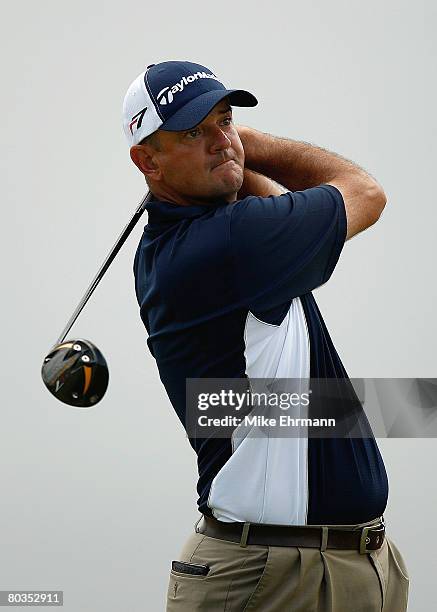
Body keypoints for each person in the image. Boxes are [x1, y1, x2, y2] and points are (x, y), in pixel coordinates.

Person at [123, 61, 410, 611]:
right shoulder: (230, 243)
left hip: (328, 567)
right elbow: (365, 193)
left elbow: (279, 209)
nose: (220, 141)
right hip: (272, 577)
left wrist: (229, 155)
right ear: (147, 160)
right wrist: (255, 143)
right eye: (193, 132)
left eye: (225, 121)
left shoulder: (189, 242)